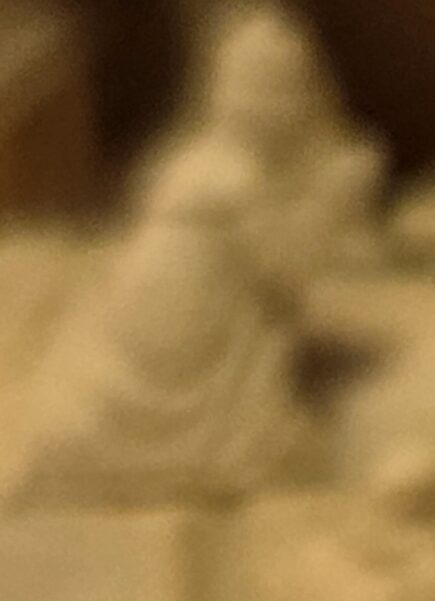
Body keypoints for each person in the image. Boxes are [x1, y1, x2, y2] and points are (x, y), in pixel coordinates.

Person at [11, 6, 382, 505]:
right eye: (286, 93)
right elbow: (284, 271)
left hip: (162, 315)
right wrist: (337, 199)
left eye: (300, 91)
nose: (300, 108)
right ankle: (214, 449)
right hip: (183, 340)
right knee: (250, 419)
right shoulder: (235, 177)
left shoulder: (205, 161)